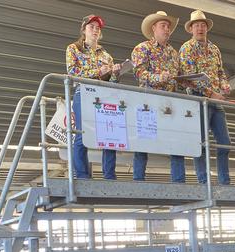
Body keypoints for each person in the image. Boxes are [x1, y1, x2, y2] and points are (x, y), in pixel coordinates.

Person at [131, 11, 185, 183]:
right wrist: (159, 77)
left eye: (168, 26)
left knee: (176, 141)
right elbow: (139, 73)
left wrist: (186, 81)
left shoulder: (174, 53)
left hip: (170, 103)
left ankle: (179, 181)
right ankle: (139, 180)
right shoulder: (142, 48)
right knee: (143, 142)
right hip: (148, 100)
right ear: (153, 28)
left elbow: (179, 76)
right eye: (163, 25)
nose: (167, 29)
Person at [179, 10, 231, 186]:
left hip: (216, 100)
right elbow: (189, 77)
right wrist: (211, 93)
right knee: (200, 141)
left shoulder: (215, 49)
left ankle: (225, 180)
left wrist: (224, 85)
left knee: (225, 142)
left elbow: (220, 72)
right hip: (198, 100)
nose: (200, 28)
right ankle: (203, 180)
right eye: (196, 25)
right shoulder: (187, 48)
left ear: (206, 28)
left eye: (203, 25)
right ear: (191, 29)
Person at [66, 14, 121, 179]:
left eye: (98, 28)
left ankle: (109, 175)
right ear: (84, 29)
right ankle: (82, 175)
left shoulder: (106, 55)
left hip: (104, 95)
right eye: (92, 27)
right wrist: (98, 72)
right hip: (83, 93)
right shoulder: (73, 48)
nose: (95, 30)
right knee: (82, 133)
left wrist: (116, 74)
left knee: (109, 134)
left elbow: (112, 82)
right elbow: (72, 72)